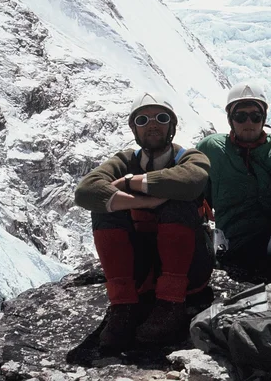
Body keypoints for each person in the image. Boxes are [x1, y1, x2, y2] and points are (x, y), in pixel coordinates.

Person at [74, 92, 213, 353]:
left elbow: (190, 181)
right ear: (133, 127)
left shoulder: (189, 157)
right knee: (104, 208)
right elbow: (86, 191)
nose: (152, 124)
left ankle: (171, 305)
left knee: (178, 202)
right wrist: (145, 202)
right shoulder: (124, 160)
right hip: (145, 265)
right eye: (143, 119)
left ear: (172, 127)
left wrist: (129, 183)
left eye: (161, 118)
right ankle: (123, 307)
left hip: (189, 266)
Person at [196, 81, 271, 280]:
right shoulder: (212, 149)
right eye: (241, 116)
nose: (248, 122)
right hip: (234, 237)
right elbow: (196, 193)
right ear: (231, 119)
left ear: (263, 118)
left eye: (255, 116)